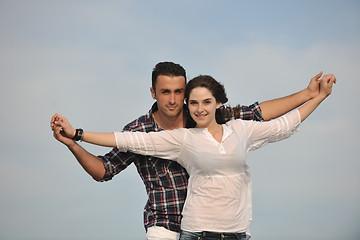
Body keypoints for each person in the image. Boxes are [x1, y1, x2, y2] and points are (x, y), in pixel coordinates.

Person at [50, 62, 332, 240]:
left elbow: (259, 114)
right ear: (153, 92)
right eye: (165, 92)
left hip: (215, 223)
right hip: (166, 222)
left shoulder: (204, 115)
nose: (173, 100)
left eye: (178, 92)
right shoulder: (139, 131)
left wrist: (308, 94)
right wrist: (74, 141)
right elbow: (103, 170)